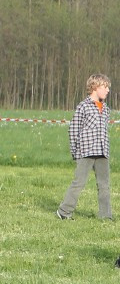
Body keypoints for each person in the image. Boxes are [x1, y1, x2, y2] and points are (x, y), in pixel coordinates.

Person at [57, 74, 112, 220]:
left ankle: (106, 216)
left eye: (108, 88)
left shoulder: (106, 109)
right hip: (85, 151)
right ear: (95, 87)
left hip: (102, 152)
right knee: (79, 183)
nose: (107, 90)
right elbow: (74, 130)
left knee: (104, 185)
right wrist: (76, 153)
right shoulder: (83, 106)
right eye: (105, 87)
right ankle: (64, 212)